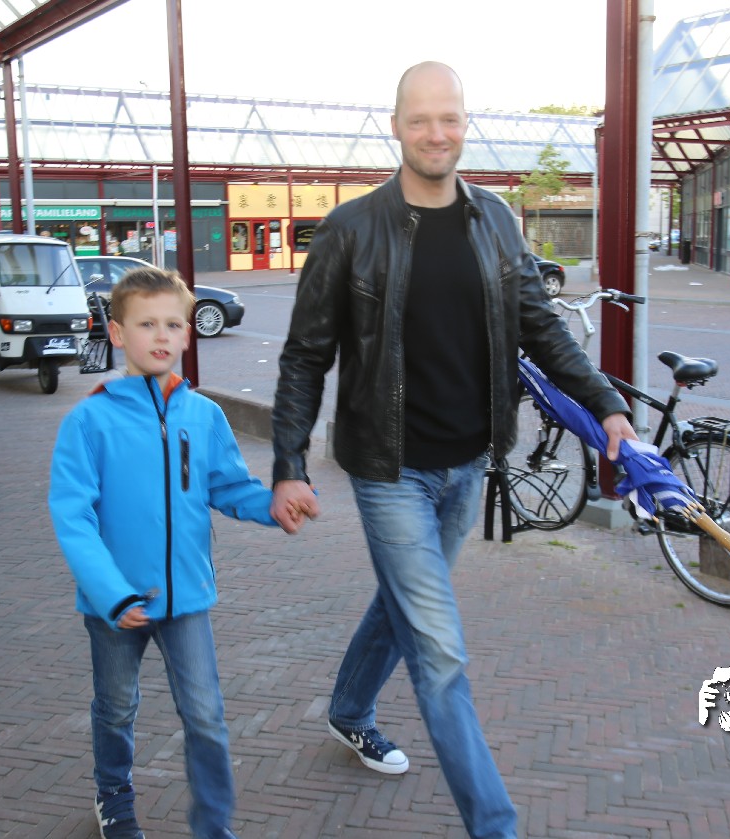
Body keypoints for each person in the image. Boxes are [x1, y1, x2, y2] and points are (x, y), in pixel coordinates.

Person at [268, 61, 637, 839]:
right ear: (396, 127)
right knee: (439, 652)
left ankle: (348, 708)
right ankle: (495, 826)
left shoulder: (494, 219)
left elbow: (541, 326)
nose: (436, 133)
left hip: (470, 463)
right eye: (420, 119)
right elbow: (305, 356)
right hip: (389, 468)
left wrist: (605, 403)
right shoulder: (350, 229)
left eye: (450, 118)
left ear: (465, 123)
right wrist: (288, 464)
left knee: (405, 599)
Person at [50, 267, 293, 839]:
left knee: (206, 715)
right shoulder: (88, 420)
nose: (161, 335)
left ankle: (214, 825)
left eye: (173, 324)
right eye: (146, 324)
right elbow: (73, 518)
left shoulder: (204, 415)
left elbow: (228, 488)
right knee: (116, 707)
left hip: (187, 598)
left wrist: (273, 506)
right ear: (117, 333)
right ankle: (114, 795)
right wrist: (110, 595)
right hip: (115, 606)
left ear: (187, 332)